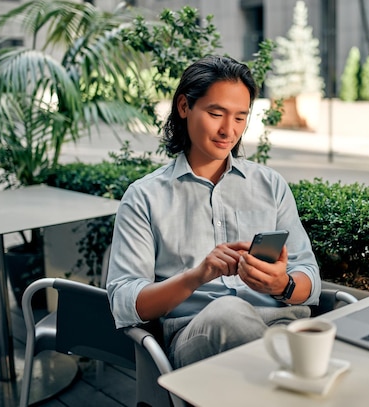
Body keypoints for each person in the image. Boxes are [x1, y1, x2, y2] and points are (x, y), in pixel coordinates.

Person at [106, 55, 321, 369]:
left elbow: (309, 277)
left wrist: (282, 285)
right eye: (216, 113)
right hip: (198, 334)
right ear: (184, 107)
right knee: (229, 313)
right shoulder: (144, 197)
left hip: (282, 326)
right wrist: (196, 276)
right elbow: (125, 301)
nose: (228, 130)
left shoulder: (270, 184)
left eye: (239, 117)